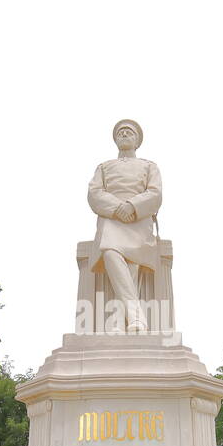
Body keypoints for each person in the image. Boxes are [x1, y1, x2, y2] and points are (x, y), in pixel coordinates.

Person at [86, 119, 162, 333]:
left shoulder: (149, 166)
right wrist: (118, 208)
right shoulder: (103, 167)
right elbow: (95, 194)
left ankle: (120, 321)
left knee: (132, 262)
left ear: (137, 140)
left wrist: (132, 206)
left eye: (130, 132)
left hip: (139, 219)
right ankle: (136, 316)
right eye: (121, 132)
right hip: (112, 218)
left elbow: (155, 193)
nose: (125, 134)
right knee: (110, 251)